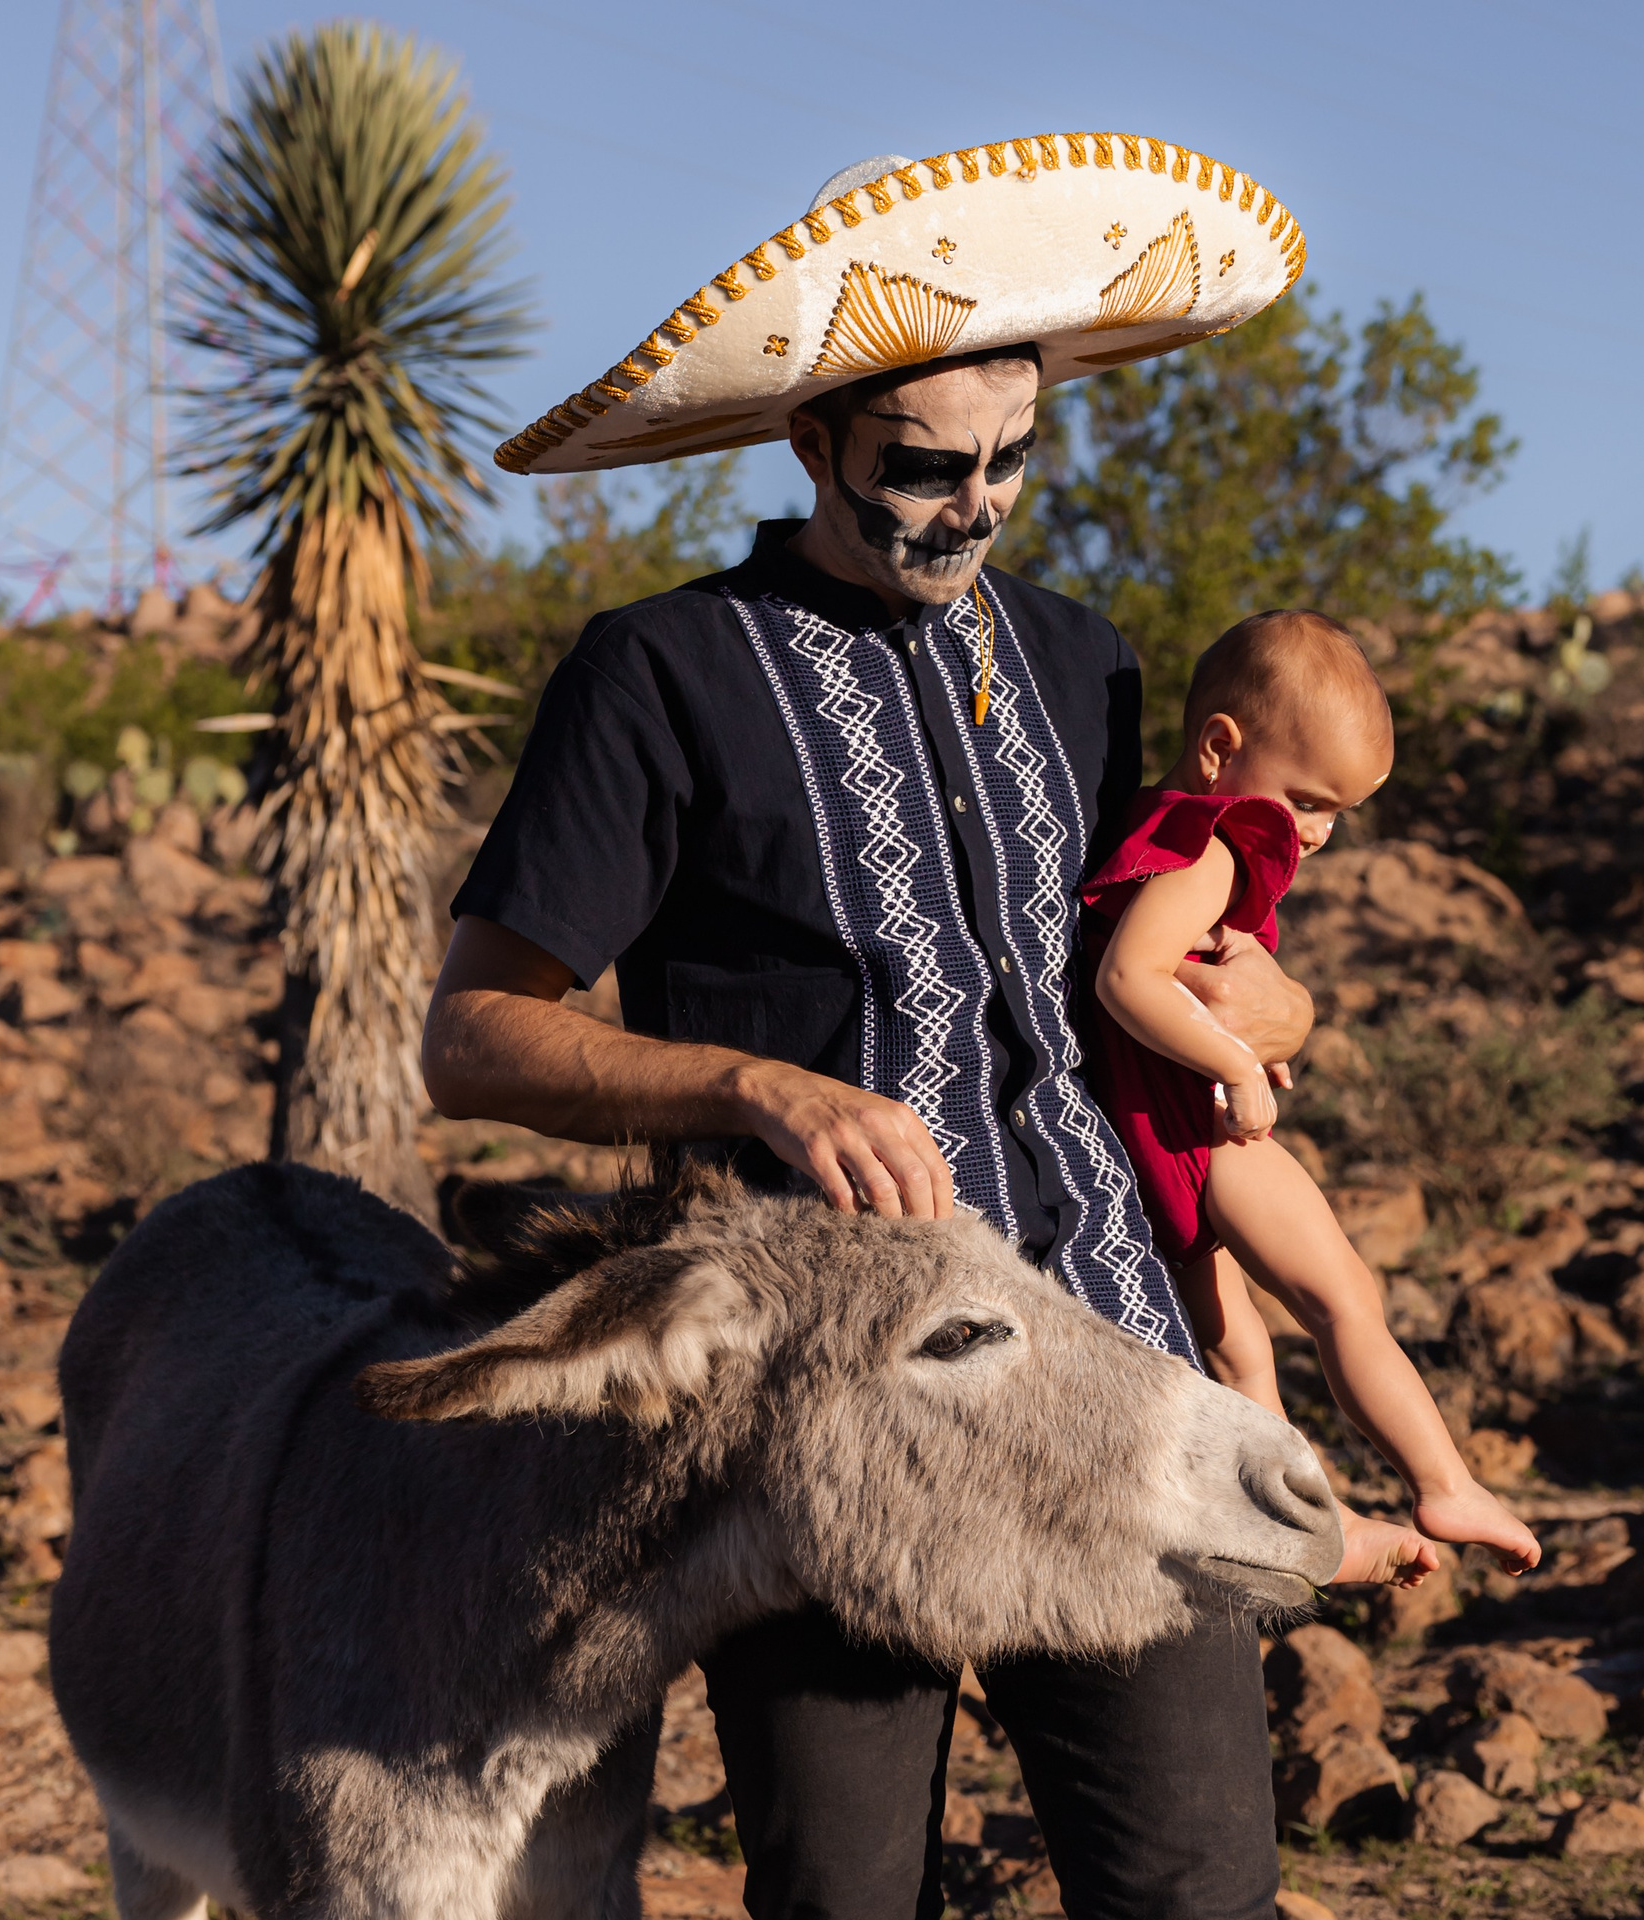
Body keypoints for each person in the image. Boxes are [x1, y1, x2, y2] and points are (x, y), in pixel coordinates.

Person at [426, 141, 1328, 1918]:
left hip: (1111, 1366)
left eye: (1008, 460)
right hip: (833, 1416)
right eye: (920, 467)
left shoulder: (1087, 661)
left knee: (1198, 1889)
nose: (970, 505)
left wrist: (1278, 1000)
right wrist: (750, 1085)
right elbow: (473, 1038)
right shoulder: (660, 674)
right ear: (811, 442)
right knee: (844, 1902)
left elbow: (1163, 967)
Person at [1079, 611, 1543, 1584]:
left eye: (1341, 811)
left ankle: (1301, 1520)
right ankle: (1440, 1477)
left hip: (1143, 1137)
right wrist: (1237, 1066)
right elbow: (1130, 979)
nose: (1320, 832)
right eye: (1309, 800)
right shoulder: (1207, 845)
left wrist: (1236, 1035)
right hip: (1205, 1138)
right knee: (1342, 1299)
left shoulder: (1142, 821)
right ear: (1219, 748)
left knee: (1239, 1347)